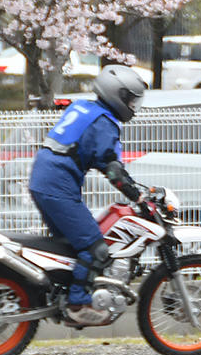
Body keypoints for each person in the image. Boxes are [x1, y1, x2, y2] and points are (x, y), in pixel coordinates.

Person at [28, 64, 151, 325]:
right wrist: (137, 195)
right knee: (95, 248)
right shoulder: (105, 123)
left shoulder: (82, 107)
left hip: (42, 180)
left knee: (69, 249)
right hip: (57, 187)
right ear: (116, 95)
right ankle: (77, 302)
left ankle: (56, 293)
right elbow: (113, 169)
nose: (132, 106)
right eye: (130, 99)